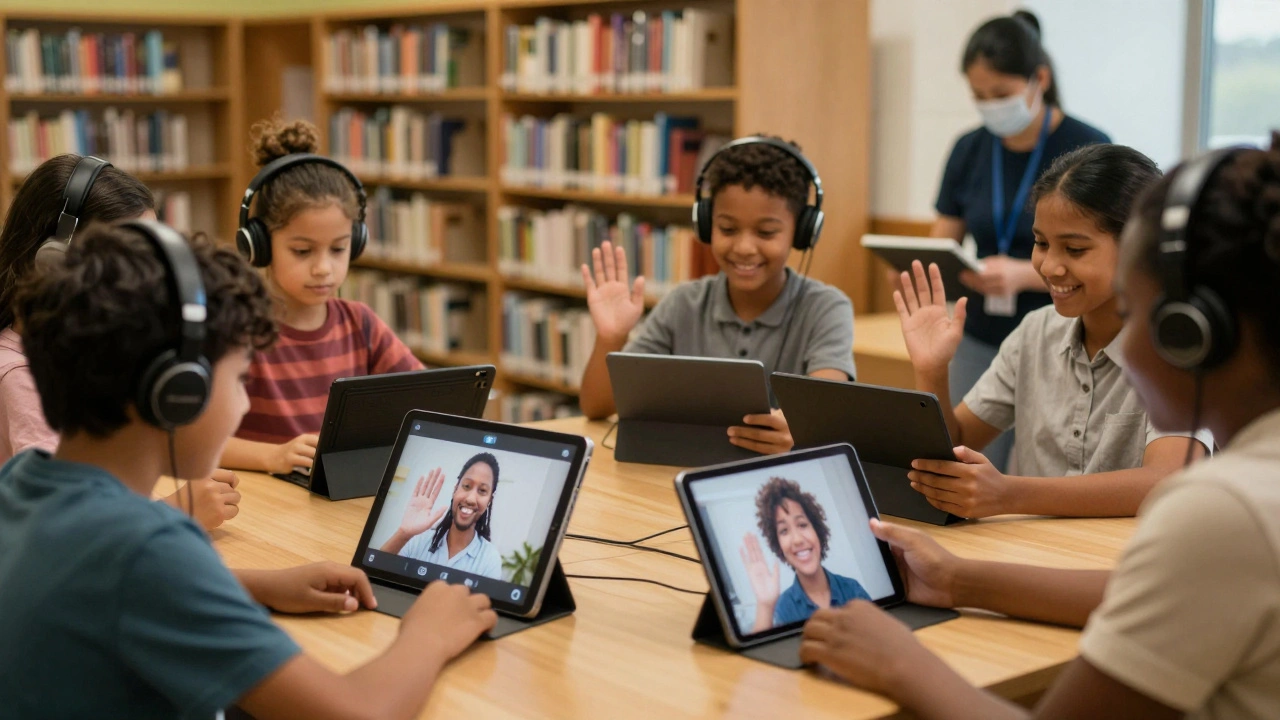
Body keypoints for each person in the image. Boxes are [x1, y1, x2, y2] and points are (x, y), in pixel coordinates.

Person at [800, 138, 1280, 718]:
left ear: (1193, 332)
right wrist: (955, 579)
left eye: (1140, 305)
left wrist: (901, 663)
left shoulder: (1223, 510)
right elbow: (1144, 593)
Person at [0, 220, 497, 719]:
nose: (242, 404)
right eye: (240, 378)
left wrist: (251, 586)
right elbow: (358, 714)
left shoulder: (22, 481)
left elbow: (97, 591)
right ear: (177, 391)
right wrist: (428, 634)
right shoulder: (148, 548)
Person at [897, 144, 1208, 519]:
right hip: (1032, 555)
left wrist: (1010, 495)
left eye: (1074, 249)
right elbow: (957, 444)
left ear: (1139, 247)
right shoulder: (1035, 332)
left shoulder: (1178, 343)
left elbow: (1168, 480)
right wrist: (932, 371)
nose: (1049, 267)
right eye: (1041, 243)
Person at [0, 153, 239, 530]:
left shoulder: (84, 353)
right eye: (130, 264)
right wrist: (173, 513)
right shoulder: (21, 375)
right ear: (53, 264)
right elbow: (58, 527)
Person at [578, 136, 856, 455]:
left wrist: (799, 433)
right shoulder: (682, 304)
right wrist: (611, 338)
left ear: (804, 231)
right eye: (727, 229)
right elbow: (596, 407)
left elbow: (823, 422)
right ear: (707, 223)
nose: (744, 248)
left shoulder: (825, 309)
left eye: (766, 233)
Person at [931, 10, 1110, 471]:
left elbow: (1103, 254)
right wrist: (946, 269)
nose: (991, 106)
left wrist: (1021, 274)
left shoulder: (1087, 149)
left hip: (1059, 324)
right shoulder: (970, 148)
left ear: (1039, 79)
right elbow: (941, 239)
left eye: (1002, 94)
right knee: (965, 459)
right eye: (979, 97)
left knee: (1044, 461)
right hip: (980, 330)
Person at [220, 118, 422, 475]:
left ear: (356, 243)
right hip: (262, 505)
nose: (323, 268)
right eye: (302, 251)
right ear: (260, 247)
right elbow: (189, 437)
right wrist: (272, 457)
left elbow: (425, 401)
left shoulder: (360, 324)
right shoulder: (238, 328)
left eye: (338, 249)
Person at [739, 477, 869, 632]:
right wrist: (765, 605)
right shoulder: (784, 607)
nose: (797, 540)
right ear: (778, 546)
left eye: (802, 525)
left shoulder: (852, 589)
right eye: (784, 531)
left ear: (817, 532)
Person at [380, 453, 503, 580]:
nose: (471, 499)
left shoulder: (490, 559)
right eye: (466, 486)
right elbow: (372, 575)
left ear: (489, 500)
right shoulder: (418, 540)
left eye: (482, 491)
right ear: (455, 489)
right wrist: (403, 534)